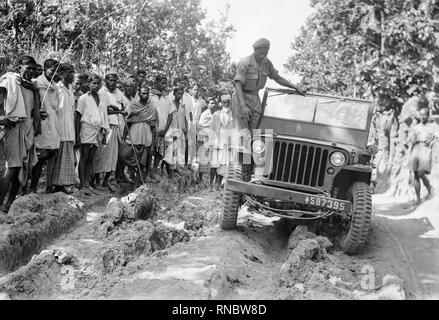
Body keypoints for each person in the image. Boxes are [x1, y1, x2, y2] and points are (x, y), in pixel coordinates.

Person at [232, 38, 306, 179]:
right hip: (241, 97)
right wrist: (242, 105)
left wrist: (294, 86)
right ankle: (240, 170)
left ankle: (249, 169)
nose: (263, 55)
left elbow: (277, 78)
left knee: (254, 136)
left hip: (255, 98)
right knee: (244, 135)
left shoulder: (266, 63)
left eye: (266, 52)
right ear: (255, 50)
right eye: (261, 52)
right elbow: (237, 84)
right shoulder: (245, 63)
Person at [0, 55, 41, 212]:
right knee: (11, 166)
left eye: (33, 68)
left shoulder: (30, 88)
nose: (30, 71)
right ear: (19, 67)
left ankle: (9, 205)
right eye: (27, 67)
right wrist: (2, 119)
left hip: (26, 128)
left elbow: (35, 113)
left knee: (22, 167)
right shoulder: (9, 80)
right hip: (12, 127)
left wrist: (36, 92)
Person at [93, 70, 129, 191]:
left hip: (116, 126)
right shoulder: (101, 92)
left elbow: (127, 106)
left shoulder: (118, 93)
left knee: (113, 156)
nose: (113, 83)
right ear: (105, 81)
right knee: (101, 154)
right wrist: (119, 111)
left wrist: (122, 110)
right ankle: (97, 181)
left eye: (115, 81)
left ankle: (106, 181)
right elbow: (105, 110)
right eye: (110, 80)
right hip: (104, 126)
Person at [30, 58, 61, 194]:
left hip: (52, 125)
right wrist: (34, 113)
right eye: (52, 71)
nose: (54, 73)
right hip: (41, 126)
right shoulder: (36, 83)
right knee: (38, 159)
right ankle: (31, 189)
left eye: (56, 71)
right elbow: (30, 102)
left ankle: (48, 187)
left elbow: (55, 108)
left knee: (50, 155)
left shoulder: (55, 86)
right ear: (44, 69)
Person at [76, 75, 109, 193]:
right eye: (93, 83)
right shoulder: (83, 98)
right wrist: (77, 135)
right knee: (84, 156)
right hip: (86, 128)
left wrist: (104, 132)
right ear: (89, 84)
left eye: (98, 83)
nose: (96, 86)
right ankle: (82, 183)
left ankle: (87, 182)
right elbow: (78, 116)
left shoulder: (102, 98)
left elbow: (104, 115)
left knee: (91, 157)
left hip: (97, 130)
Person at [119, 84, 157, 186]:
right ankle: (128, 175)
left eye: (147, 94)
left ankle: (136, 185)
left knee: (142, 164)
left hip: (146, 139)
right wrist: (123, 137)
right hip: (133, 137)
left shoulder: (152, 109)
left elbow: (153, 127)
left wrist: (153, 144)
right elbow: (128, 122)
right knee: (124, 155)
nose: (145, 95)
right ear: (139, 94)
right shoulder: (132, 106)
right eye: (143, 93)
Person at [407, 107, 439, 204]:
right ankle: (418, 198)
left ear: (428, 115)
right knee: (415, 174)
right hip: (416, 149)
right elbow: (411, 141)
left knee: (421, 173)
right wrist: (409, 154)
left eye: (424, 114)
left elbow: (437, 137)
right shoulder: (416, 127)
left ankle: (429, 189)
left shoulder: (433, 126)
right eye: (421, 115)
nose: (422, 116)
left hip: (426, 150)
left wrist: (432, 141)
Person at [150, 75, 175, 177]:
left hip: (162, 129)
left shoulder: (167, 98)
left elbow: (170, 114)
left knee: (159, 152)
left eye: (165, 83)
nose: (164, 85)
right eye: (162, 83)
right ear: (156, 82)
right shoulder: (150, 96)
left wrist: (165, 130)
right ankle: (146, 170)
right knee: (149, 150)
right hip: (150, 128)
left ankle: (154, 170)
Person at [211, 95, 234, 189]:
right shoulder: (216, 114)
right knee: (214, 163)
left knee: (223, 164)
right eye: (224, 102)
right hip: (217, 141)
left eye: (228, 102)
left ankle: (218, 184)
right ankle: (210, 184)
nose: (226, 104)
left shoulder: (233, 115)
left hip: (227, 143)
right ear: (221, 103)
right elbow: (212, 129)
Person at [163, 86, 186, 177]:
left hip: (179, 131)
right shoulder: (170, 104)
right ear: (174, 94)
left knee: (177, 151)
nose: (180, 95)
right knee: (170, 151)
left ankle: (175, 169)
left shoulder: (182, 106)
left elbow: (184, 119)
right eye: (178, 93)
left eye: (181, 94)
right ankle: (169, 172)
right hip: (170, 130)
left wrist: (184, 131)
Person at [197, 98, 216, 185]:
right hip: (205, 137)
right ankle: (200, 177)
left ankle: (206, 178)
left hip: (210, 137)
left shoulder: (212, 113)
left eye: (213, 103)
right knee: (203, 157)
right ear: (207, 104)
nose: (212, 105)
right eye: (211, 103)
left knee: (209, 158)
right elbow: (201, 125)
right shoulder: (205, 114)